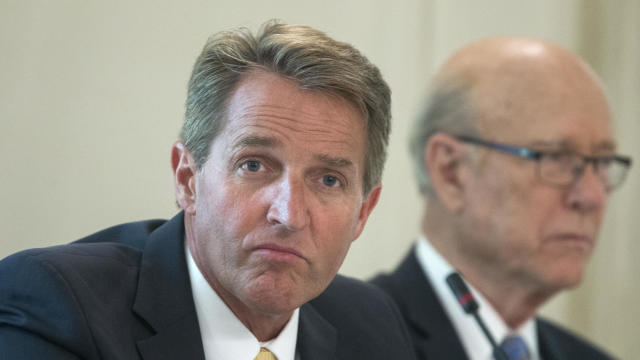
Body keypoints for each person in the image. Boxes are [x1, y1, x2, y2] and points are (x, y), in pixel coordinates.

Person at [0, 20, 416, 360]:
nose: (289, 215)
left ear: (363, 211)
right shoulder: (57, 305)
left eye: (329, 180)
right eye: (253, 165)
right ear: (188, 180)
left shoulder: (372, 323)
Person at [372, 37, 632, 360]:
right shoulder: (345, 344)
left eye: (602, 163)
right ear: (450, 171)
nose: (592, 196)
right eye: (555, 158)